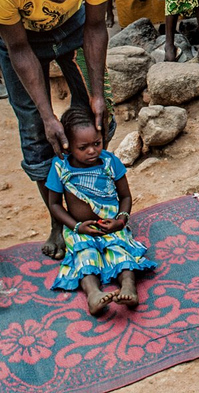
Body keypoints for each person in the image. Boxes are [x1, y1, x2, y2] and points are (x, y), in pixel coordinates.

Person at [0, 0, 114, 261]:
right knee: (36, 133)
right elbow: (18, 48)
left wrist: (97, 94)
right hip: (23, 41)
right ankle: (59, 221)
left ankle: (93, 204)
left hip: (75, 28)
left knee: (98, 120)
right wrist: (46, 115)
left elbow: (96, 27)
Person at [45, 106, 155, 315]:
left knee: (121, 254)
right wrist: (76, 227)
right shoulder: (61, 167)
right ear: (67, 146)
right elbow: (55, 205)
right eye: (83, 147)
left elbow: (125, 196)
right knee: (85, 257)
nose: (92, 150)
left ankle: (128, 287)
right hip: (79, 229)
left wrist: (120, 221)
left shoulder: (109, 161)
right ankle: (94, 294)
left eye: (97, 143)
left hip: (111, 225)